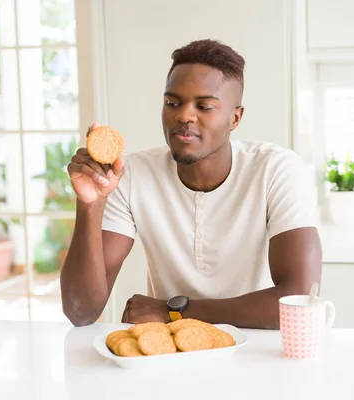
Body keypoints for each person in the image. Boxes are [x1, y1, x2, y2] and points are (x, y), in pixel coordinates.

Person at [61, 39, 322, 330]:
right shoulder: (130, 175)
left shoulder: (276, 169)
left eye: (205, 106)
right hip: (170, 355)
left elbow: (300, 300)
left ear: (235, 118)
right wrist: (90, 205)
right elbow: (80, 312)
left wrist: (175, 312)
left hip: (257, 351)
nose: (184, 116)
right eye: (172, 103)